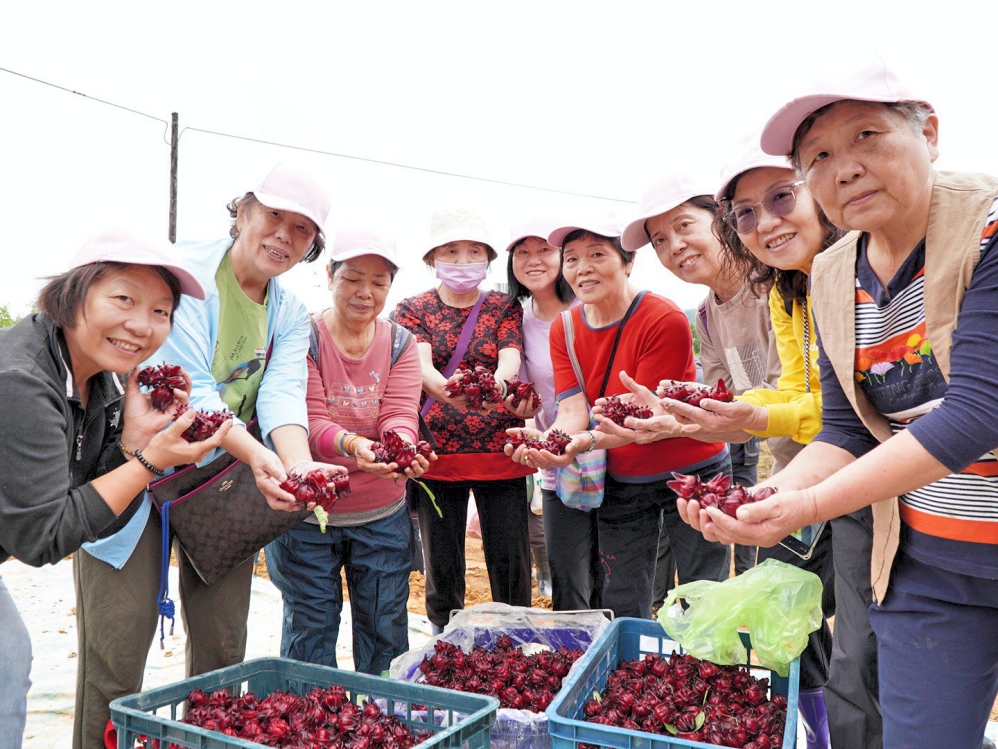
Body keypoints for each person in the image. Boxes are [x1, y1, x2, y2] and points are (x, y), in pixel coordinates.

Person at [683, 63, 998, 749]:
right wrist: (765, 497)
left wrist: (804, 507)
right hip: (928, 565)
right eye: (820, 155)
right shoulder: (833, 274)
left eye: (868, 135)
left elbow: (978, 413)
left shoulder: (988, 230)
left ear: (931, 134)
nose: (845, 168)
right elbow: (847, 426)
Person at [72, 165, 343, 748]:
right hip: (134, 472)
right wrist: (260, 458)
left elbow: (280, 395)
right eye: (273, 216)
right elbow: (189, 388)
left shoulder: (290, 312)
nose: (283, 236)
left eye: (302, 230)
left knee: (223, 653)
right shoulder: (180, 275)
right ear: (242, 211)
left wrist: (294, 469)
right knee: (116, 652)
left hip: (221, 488)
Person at [609, 169, 837, 748]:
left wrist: (735, 417)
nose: (674, 247)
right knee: (790, 618)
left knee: (836, 616)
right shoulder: (708, 314)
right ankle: (818, 729)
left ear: (721, 222)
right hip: (788, 472)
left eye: (684, 227)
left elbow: (795, 399)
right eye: (659, 240)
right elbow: (722, 400)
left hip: (838, 468)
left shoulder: (783, 283)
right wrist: (673, 420)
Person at [0, 231, 229, 749]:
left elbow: (91, 504)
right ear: (72, 294)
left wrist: (130, 443)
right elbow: (42, 538)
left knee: (8, 660)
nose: (141, 325)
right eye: (123, 299)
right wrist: (150, 462)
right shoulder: (20, 379)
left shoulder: (99, 378)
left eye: (161, 311)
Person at [506, 217, 730, 619]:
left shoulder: (663, 318)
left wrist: (582, 443)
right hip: (626, 477)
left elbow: (643, 419)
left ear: (627, 262)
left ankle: (705, 671)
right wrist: (549, 442)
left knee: (702, 589)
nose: (582, 267)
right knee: (622, 589)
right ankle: (632, 672)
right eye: (571, 259)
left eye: (597, 255)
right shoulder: (565, 329)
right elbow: (572, 409)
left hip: (692, 467)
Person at [265, 227, 431, 675]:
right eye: (354, 278)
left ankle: (382, 721)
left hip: (380, 517)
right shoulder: (307, 336)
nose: (366, 292)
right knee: (310, 627)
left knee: (384, 631)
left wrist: (403, 445)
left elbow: (400, 411)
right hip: (307, 519)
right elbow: (310, 420)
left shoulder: (400, 342)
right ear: (330, 275)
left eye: (379, 282)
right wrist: (355, 444)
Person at [394, 209, 535, 634]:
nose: (462, 260)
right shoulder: (412, 308)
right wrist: (451, 393)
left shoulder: (503, 306)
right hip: (439, 451)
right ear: (432, 258)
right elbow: (419, 364)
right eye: (451, 252)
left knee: (510, 557)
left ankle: (517, 635)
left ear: (489, 260)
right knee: (443, 561)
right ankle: (445, 637)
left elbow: (511, 354)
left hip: (501, 448)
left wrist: (493, 387)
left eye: (473, 252)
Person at [504, 219, 593, 610]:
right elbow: (522, 392)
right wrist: (519, 408)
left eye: (543, 249)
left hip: (609, 452)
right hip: (555, 457)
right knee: (567, 572)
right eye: (521, 252)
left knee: (610, 568)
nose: (532, 260)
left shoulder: (588, 307)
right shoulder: (516, 321)